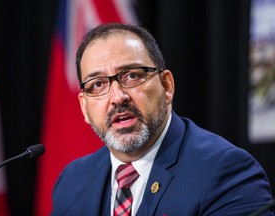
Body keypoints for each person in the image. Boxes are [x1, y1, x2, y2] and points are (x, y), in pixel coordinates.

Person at [51, 23, 274, 216]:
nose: (118, 97)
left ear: (166, 86)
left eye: (132, 75)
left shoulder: (225, 172)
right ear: (84, 107)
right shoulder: (72, 181)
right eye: (97, 84)